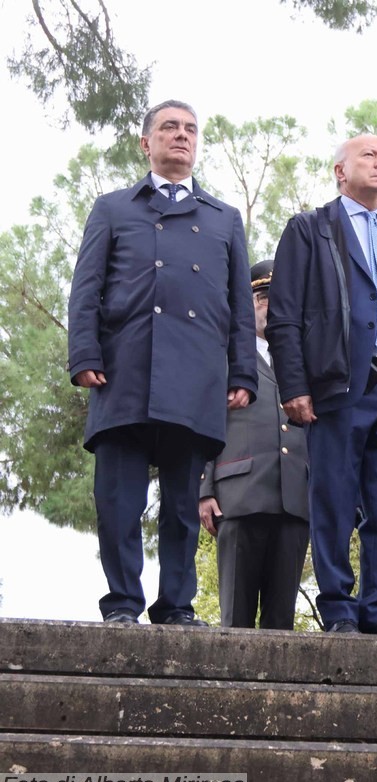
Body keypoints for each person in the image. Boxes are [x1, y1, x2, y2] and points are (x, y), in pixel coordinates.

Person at [68, 100, 257, 627]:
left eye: (190, 129)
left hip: (195, 377)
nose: (181, 136)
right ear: (145, 142)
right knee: (118, 504)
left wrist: (242, 370)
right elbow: (86, 290)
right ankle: (122, 604)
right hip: (123, 371)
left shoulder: (224, 219)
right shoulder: (112, 208)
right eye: (169, 127)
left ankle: (175, 605)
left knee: (181, 507)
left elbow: (240, 304)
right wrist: (83, 352)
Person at [267, 134, 377, 638]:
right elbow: (284, 315)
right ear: (340, 172)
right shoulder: (310, 229)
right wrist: (294, 384)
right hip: (337, 388)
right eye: (370, 156)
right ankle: (338, 608)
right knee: (335, 500)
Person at [199, 261, 309, 629]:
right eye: (263, 297)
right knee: (236, 618)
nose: (271, 306)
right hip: (239, 495)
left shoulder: (304, 358)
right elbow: (204, 420)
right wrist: (204, 489)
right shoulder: (223, 353)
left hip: (294, 497)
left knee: (283, 621)